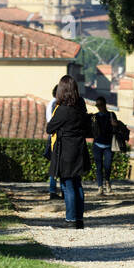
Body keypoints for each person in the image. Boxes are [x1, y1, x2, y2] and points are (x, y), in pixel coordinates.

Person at [46, 75, 91, 228]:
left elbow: (49, 128)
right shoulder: (81, 105)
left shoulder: (62, 109)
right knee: (77, 184)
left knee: (68, 185)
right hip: (80, 148)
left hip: (66, 150)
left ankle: (70, 219)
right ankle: (79, 219)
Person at [89, 96, 116, 196]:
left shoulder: (111, 114)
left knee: (108, 165)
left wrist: (115, 125)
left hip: (108, 145)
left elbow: (116, 128)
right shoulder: (94, 117)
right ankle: (100, 187)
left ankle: (107, 182)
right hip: (97, 144)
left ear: (105, 104)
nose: (99, 107)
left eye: (100, 105)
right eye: (97, 105)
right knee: (98, 167)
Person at [44, 85, 60, 200]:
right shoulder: (55, 104)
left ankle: (53, 189)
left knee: (55, 164)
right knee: (56, 164)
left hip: (52, 136)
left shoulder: (51, 103)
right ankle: (53, 190)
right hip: (55, 136)